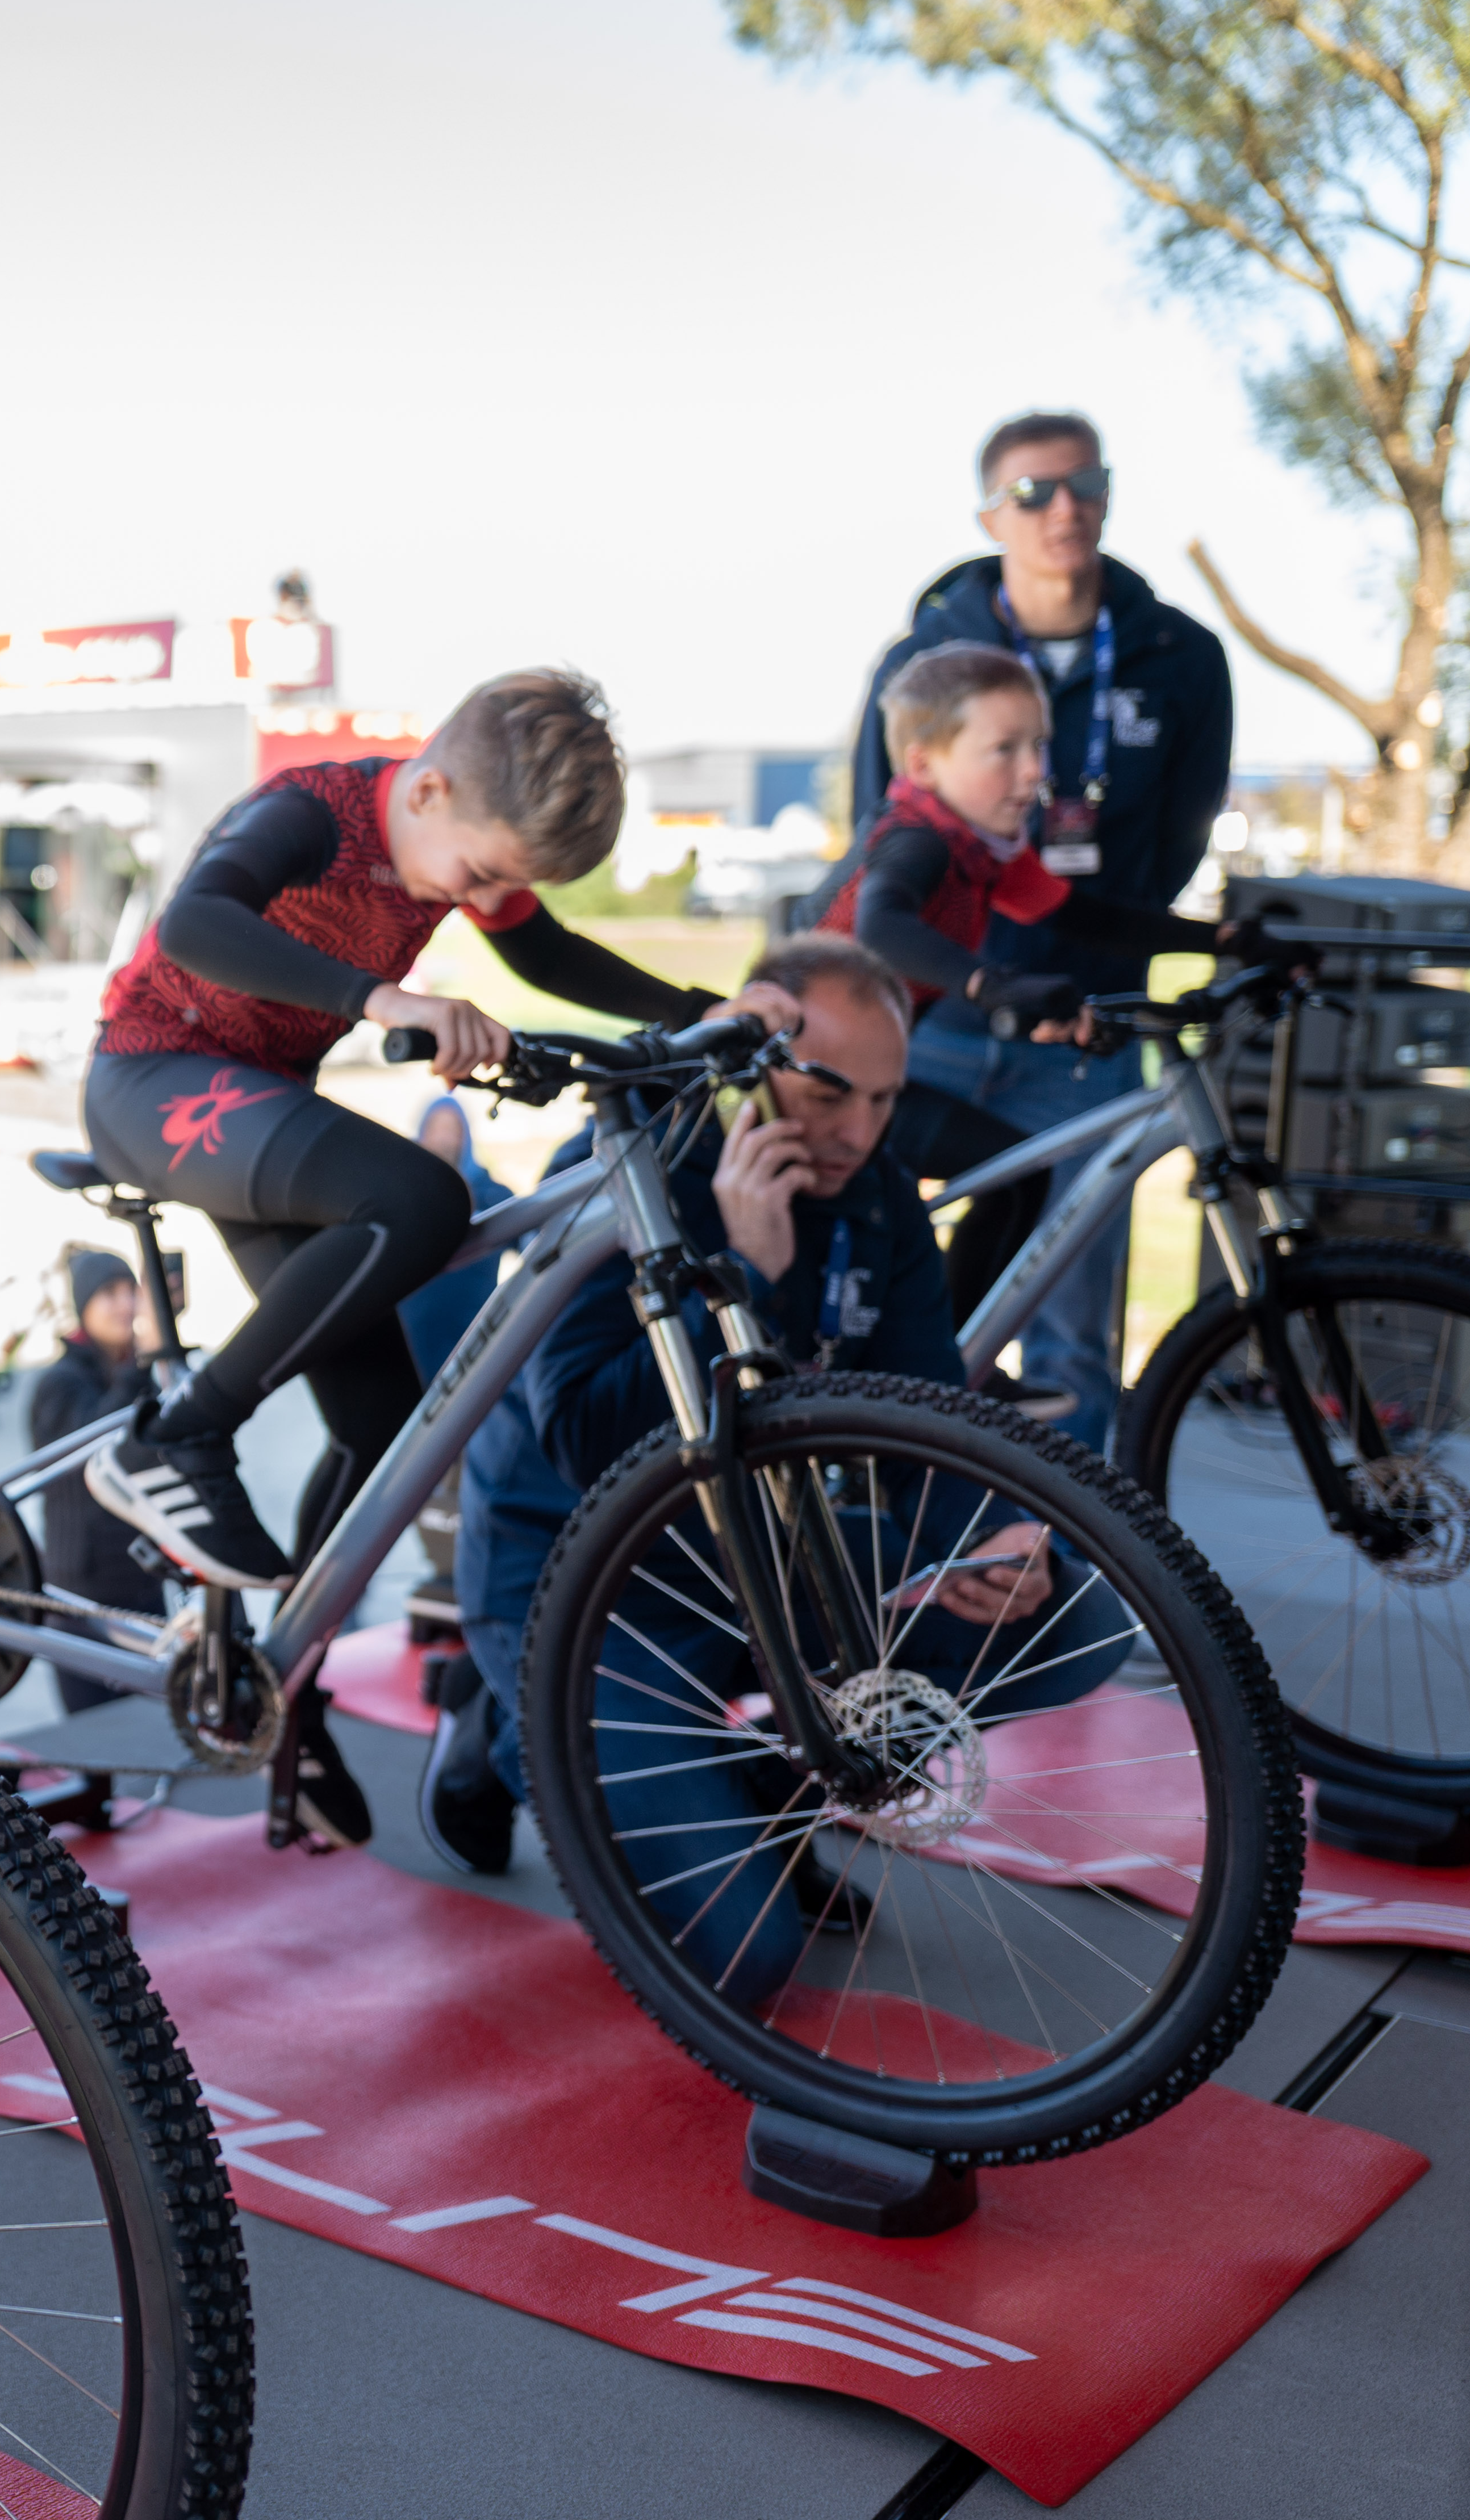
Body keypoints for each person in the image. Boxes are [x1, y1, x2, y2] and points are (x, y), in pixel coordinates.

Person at [429, 938, 1090, 1931]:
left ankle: (767, 1795)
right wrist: (749, 1274)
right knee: (744, 1942)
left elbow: (924, 1412)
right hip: (579, 1580)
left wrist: (990, 1532)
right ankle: (497, 1717)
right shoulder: (631, 1166)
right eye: (828, 1095)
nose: (858, 1132)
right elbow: (585, 1439)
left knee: (1060, 1613)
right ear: (756, 1062)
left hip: (753, 1559)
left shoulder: (875, 1193)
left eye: (885, 1099)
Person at [80, 673, 721, 1589]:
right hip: (149, 1076)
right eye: (483, 876)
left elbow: (547, 955)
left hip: (259, 1104)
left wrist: (702, 1011)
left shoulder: (454, 835)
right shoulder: (313, 813)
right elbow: (194, 923)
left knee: (383, 1424)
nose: (487, 897)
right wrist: (382, 999)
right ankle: (175, 1438)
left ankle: (285, 1652)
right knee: (419, 1199)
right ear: (428, 791)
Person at [838, 411, 1237, 1450]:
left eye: (1084, 485)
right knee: (863, 1288)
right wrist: (984, 982)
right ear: (990, 514)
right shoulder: (922, 666)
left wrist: (1223, 942)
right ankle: (894, 1464)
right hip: (917, 1032)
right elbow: (880, 893)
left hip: (1078, 1026)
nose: (1063, 508)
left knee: (1069, 1327)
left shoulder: (1177, 655)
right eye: (1032, 492)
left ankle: (1067, 1540)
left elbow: (1138, 867)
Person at [826, 641, 1246, 1336]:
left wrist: (1227, 940)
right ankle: (936, 1371)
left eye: (1039, 746)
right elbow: (882, 925)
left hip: (852, 1079)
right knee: (1002, 1180)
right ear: (924, 765)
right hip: (807, 1083)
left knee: (1014, 1176)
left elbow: (1090, 920)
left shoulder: (980, 849)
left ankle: (946, 1367)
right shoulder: (917, 840)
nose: (1035, 773)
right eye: (1005, 750)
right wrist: (993, 985)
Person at [27, 1254, 159, 1714]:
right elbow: (98, 1446)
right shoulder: (59, 1383)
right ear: (83, 1306)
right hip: (81, 1593)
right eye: (109, 1294)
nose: (124, 1305)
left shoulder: (137, 1370)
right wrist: (143, 1363)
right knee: (95, 1730)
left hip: (144, 1577)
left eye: (130, 1291)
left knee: (155, 1724)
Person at [394, 1098, 513, 1380]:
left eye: (452, 1130)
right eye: (435, 1129)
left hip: (476, 1346)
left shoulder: (493, 1196)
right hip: (409, 1349)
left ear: (466, 1136)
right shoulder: (399, 1195)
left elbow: (538, 1246)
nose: (443, 1139)